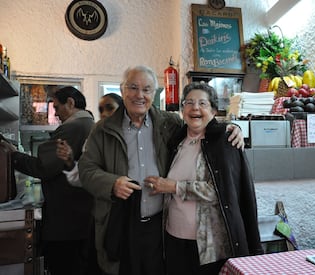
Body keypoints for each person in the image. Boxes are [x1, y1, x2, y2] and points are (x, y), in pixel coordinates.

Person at [78, 65, 244, 275]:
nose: (140, 95)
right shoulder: (102, 130)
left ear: (153, 94)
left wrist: (230, 127)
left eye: (147, 89)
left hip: (160, 226)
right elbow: (86, 170)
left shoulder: (169, 123)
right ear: (122, 90)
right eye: (133, 88)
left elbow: (200, 125)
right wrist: (112, 184)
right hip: (121, 223)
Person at [144, 82, 264, 275]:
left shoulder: (225, 141)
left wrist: (174, 187)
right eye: (189, 102)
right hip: (173, 235)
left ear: (214, 110)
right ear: (182, 109)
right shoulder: (177, 141)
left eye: (202, 103)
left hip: (208, 245)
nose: (195, 108)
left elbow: (221, 192)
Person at [11, 86, 96, 275]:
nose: (56, 114)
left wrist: (14, 156)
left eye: (57, 107)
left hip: (67, 220)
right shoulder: (89, 124)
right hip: (81, 218)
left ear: (71, 103)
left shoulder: (74, 127)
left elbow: (44, 166)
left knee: (65, 265)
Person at [56, 92, 123, 185]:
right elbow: (85, 177)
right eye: (101, 110)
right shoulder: (95, 139)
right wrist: (70, 161)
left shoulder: (135, 136)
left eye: (110, 108)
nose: (104, 114)